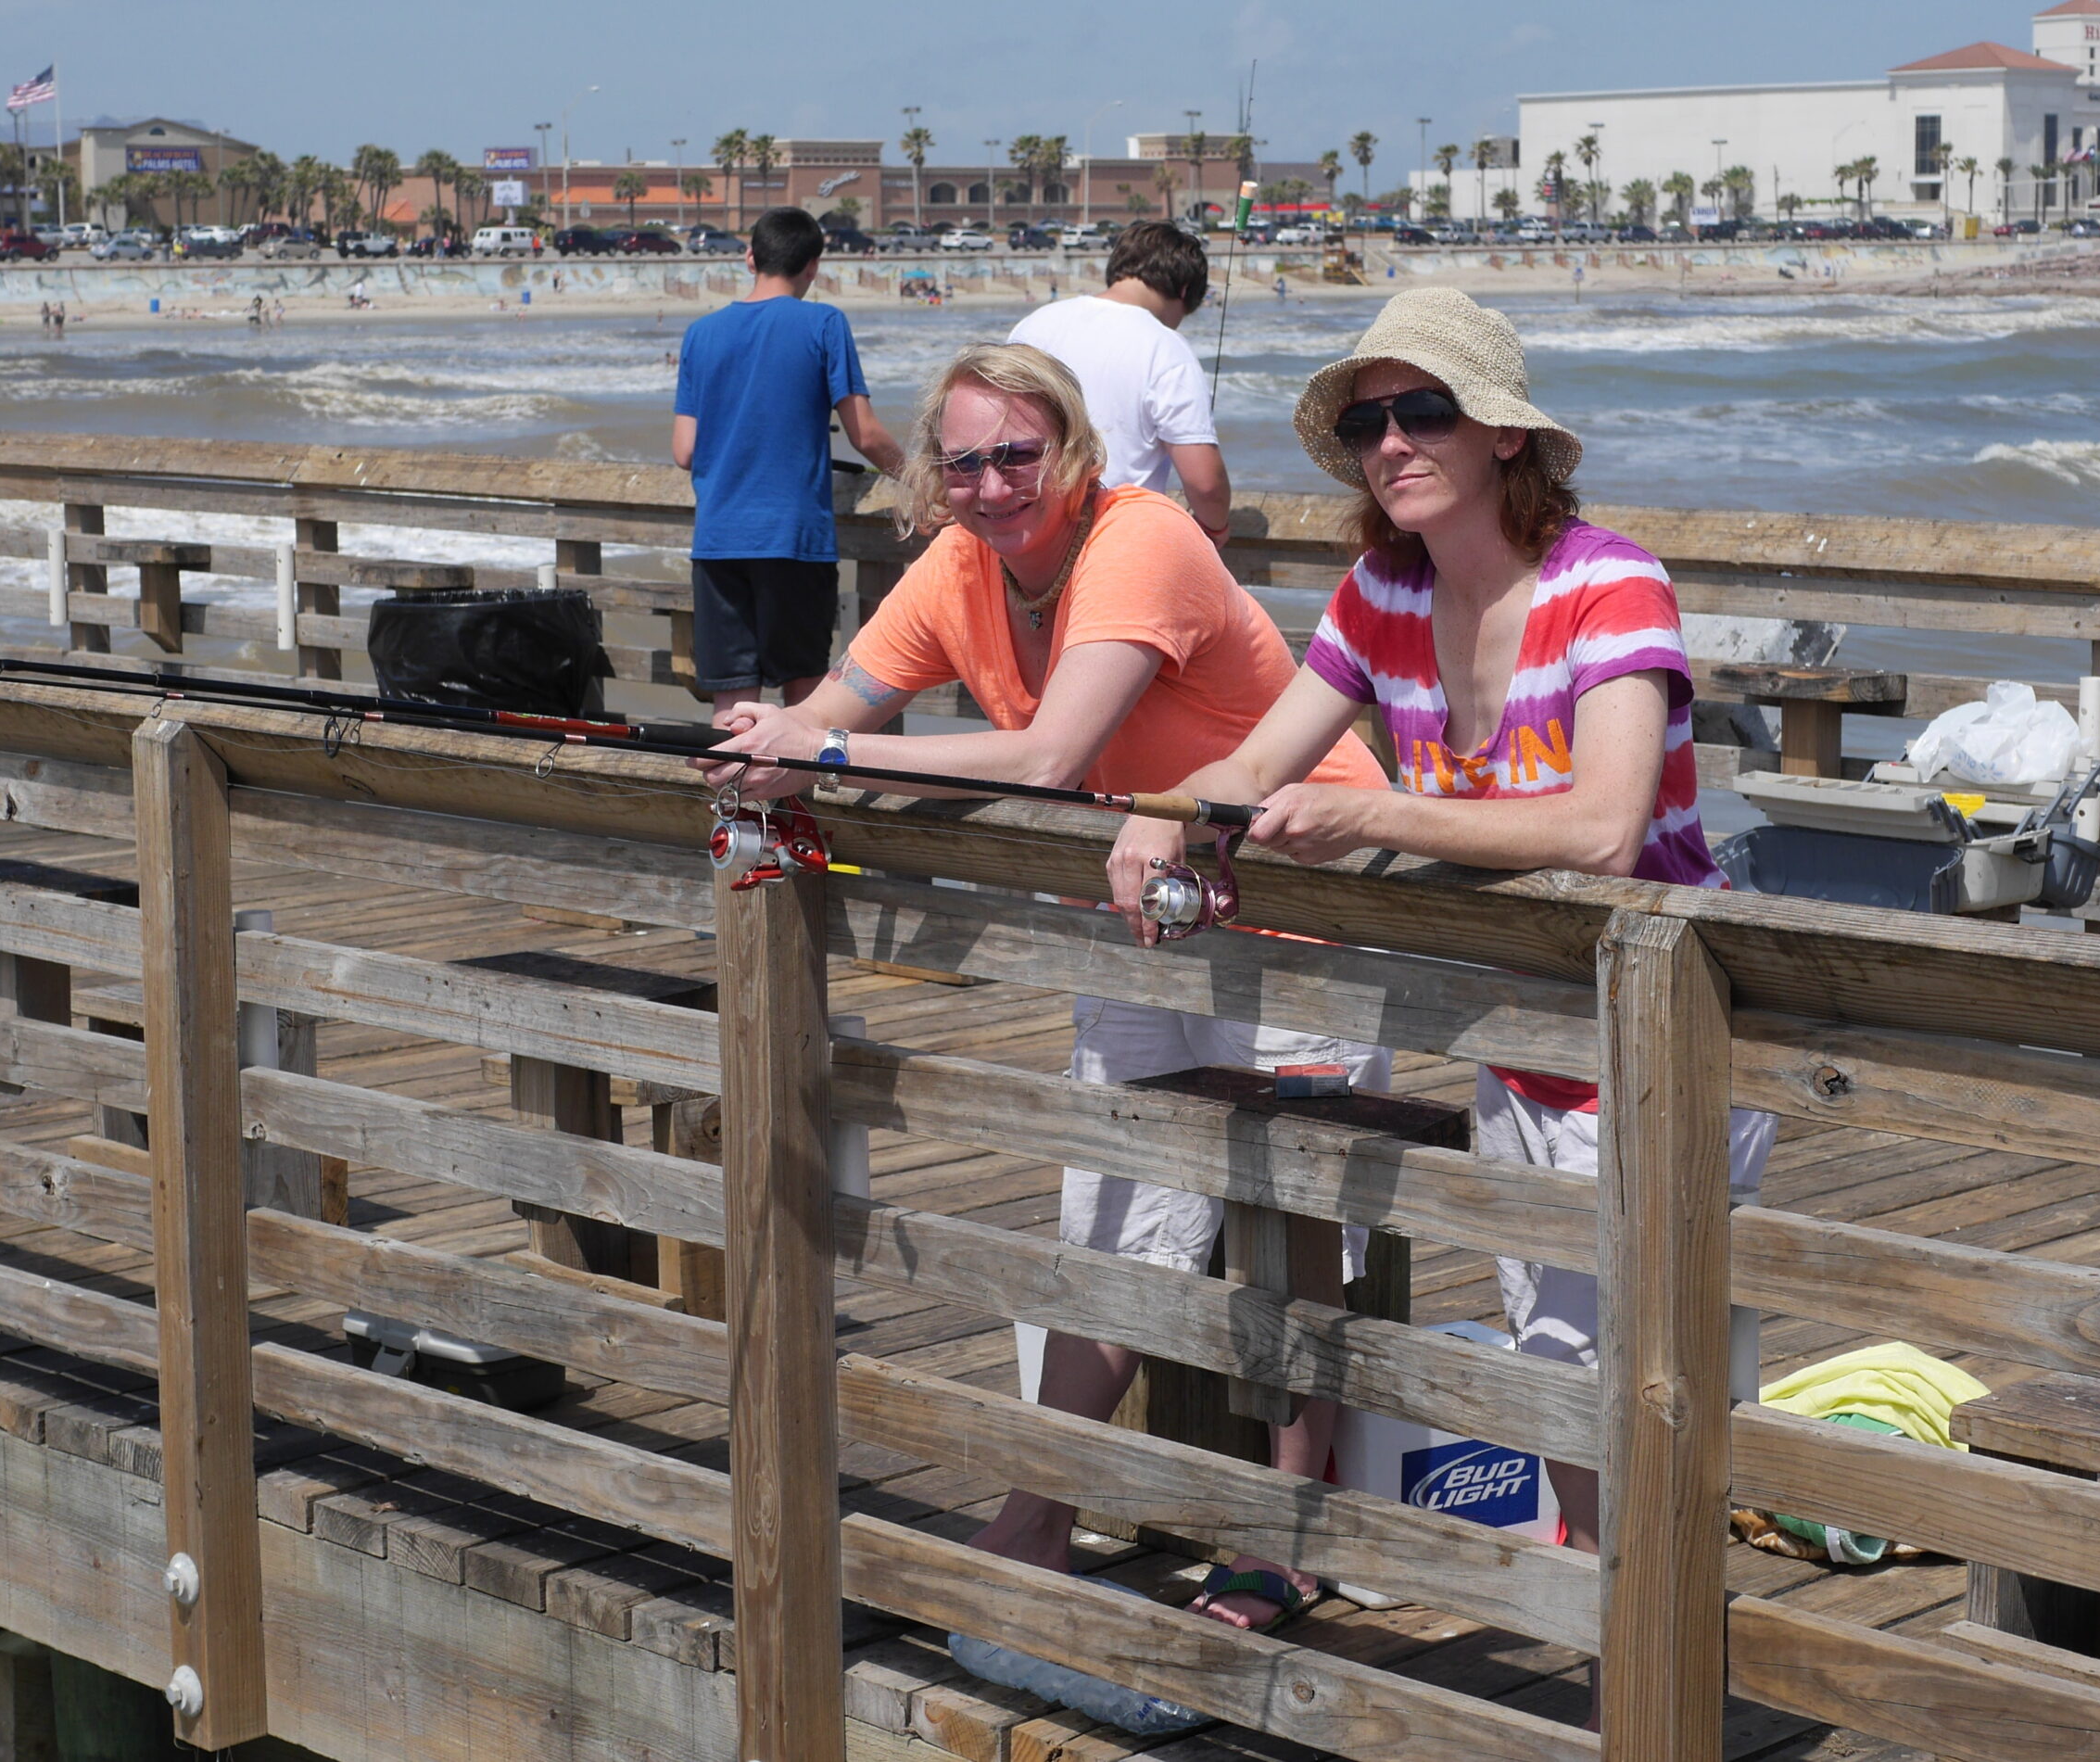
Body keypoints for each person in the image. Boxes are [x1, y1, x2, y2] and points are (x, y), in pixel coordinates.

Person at [1107, 285, 1776, 1652]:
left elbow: (1602, 827)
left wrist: (1374, 815)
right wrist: (1164, 813)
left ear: (1508, 439)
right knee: (1552, 1360)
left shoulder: (1610, 581)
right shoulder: (1382, 591)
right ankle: (1625, 1642)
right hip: (1518, 1030)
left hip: (1662, 1031)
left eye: (1425, 413)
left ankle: (1649, 1654)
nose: (1392, 443)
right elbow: (1256, 757)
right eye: (1369, 421)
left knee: (1629, 1374)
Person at [695, 342, 1390, 1633]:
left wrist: (831, 746)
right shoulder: (957, 562)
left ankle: (1288, 1537)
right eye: (964, 461)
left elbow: (1057, 753)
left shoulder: (1145, 538)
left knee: (1290, 1226)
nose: (994, 482)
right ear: (934, 478)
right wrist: (775, 753)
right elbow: (846, 700)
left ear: (1073, 455)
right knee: (1111, 1211)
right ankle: (1045, 1505)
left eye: (1020, 453)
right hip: (1137, 905)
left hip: (1300, 902)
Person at [672, 206, 905, 724]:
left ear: (750, 257)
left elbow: (684, 450)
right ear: (813, 267)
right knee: (803, 700)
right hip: (794, 539)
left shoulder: (701, 334)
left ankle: (732, 807)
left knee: (733, 704)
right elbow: (864, 433)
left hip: (718, 540)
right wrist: (921, 478)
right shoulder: (824, 323)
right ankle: (794, 806)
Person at [1008, 221, 1230, 545]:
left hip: (1029, 539)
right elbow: (1205, 483)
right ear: (1184, 291)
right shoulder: (1165, 346)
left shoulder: (1032, 326)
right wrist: (1215, 530)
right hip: (1118, 543)